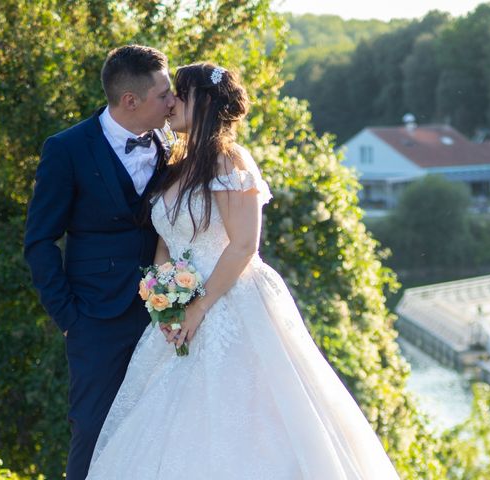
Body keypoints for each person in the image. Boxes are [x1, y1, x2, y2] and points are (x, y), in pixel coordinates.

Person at [86, 62, 400, 479]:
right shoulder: (175, 164)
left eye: (182, 91)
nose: (173, 101)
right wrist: (165, 300)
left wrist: (198, 308)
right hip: (179, 314)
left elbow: (244, 245)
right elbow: (164, 242)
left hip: (231, 301)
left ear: (208, 102)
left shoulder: (229, 160)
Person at [23, 45, 176, 480]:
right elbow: (39, 241)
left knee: (162, 427)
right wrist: (70, 317)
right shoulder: (67, 149)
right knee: (92, 430)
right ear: (131, 100)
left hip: (165, 312)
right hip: (95, 317)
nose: (173, 101)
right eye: (164, 94)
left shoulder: (172, 145)